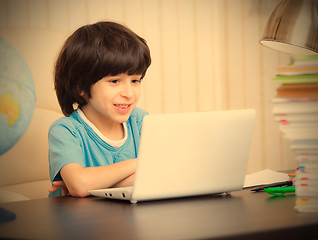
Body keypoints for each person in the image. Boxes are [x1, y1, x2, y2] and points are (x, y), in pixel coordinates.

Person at [48, 21, 151, 197]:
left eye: (135, 80)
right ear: (81, 86)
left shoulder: (142, 121)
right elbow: (80, 185)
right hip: (79, 222)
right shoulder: (66, 131)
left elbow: (162, 175)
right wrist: (141, 163)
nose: (129, 93)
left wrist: (93, 184)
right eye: (114, 81)